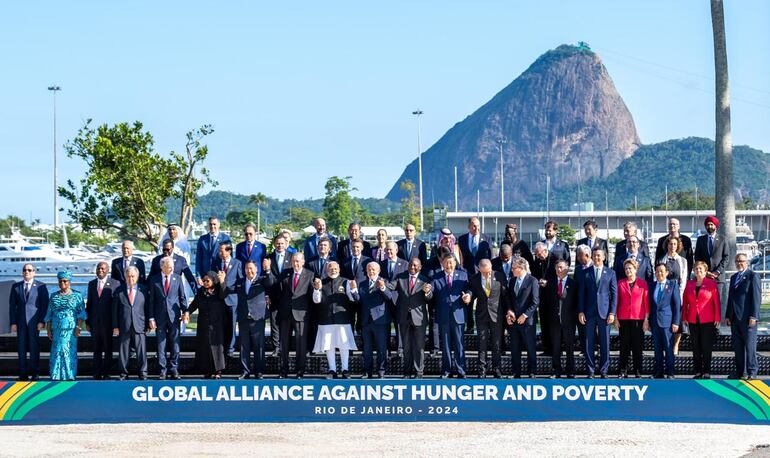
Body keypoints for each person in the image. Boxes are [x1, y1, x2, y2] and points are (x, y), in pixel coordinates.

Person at [312, 261, 357, 379]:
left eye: (335, 268)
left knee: (344, 345)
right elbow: (316, 300)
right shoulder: (321, 282)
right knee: (329, 346)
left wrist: (353, 290)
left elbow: (353, 299)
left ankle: (345, 369)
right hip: (326, 319)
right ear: (327, 270)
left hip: (342, 319)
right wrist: (317, 289)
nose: (333, 270)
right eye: (331, 269)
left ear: (339, 269)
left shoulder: (346, 282)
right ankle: (332, 370)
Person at [230, 259, 274, 379]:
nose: (248, 271)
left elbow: (270, 283)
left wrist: (268, 270)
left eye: (251, 268)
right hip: (244, 318)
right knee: (244, 347)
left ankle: (259, 371)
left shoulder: (261, 279)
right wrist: (222, 281)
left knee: (258, 346)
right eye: (246, 268)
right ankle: (245, 371)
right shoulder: (240, 282)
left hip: (257, 317)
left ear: (256, 269)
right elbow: (228, 290)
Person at [578, 247, 617, 378]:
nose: (597, 258)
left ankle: (604, 370)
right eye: (594, 256)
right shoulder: (585, 273)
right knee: (589, 342)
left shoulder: (611, 273)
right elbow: (581, 294)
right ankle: (590, 370)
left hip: (605, 313)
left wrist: (612, 312)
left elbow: (614, 295)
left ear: (604, 257)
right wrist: (581, 311)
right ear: (591, 257)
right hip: (589, 313)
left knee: (605, 342)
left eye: (599, 256)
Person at [390, 258, 432, 378]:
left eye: (415, 265)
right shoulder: (400, 277)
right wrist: (381, 284)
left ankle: (419, 372)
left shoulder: (425, 280)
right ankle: (407, 372)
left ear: (420, 266)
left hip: (419, 318)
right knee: (406, 347)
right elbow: (390, 286)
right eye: (410, 265)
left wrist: (427, 292)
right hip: (404, 318)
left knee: (419, 347)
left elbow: (429, 298)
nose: (412, 267)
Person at [275, 252, 314, 378]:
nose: (296, 264)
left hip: (301, 314)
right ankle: (284, 369)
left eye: (298, 261)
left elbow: (311, 295)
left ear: (303, 262)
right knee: (284, 344)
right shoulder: (285, 273)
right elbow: (278, 291)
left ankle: (300, 370)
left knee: (301, 343)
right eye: (294, 261)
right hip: (285, 313)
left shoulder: (310, 274)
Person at [350, 262, 394, 378]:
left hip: (380, 321)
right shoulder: (362, 284)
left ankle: (381, 371)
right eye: (369, 270)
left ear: (378, 271)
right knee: (367, 349)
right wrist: (354, 290)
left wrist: (383, 288)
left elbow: (389, 297)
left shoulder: (384, 281)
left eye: (374, 270)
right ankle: (367, 371)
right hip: (366, 321)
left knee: (381, 348)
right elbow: (358, 301)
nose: (371, 272)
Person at [431, 254, 471, 378]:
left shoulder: (463, 276)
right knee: (446, 346)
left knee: (459, 344)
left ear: (455, 263)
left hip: (458, 314)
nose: (449, 265)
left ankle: (461, 370)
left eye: (451, 263)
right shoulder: (436, 277)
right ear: (442, 264)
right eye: (446, 263)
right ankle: (447, 370)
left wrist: (468, 296)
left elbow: (469, 289)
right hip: (443, 316)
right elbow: (430, 291)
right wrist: (427, 291)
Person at [185, 271, 230, 379]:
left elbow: (224, 294)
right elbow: (194, 304)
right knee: (205, 347)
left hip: (217, 325)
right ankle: (208, 370)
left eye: (207, 281)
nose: (205, 283)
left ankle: (217, 371)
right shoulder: (201, 292)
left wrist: (222, 281)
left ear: (213, 280)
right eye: (204, 281)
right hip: (204, 324)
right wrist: (187, 312)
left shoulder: (219, 289)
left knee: (217, 348)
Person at [148, 256, 187, 379]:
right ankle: (163, 370)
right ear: (162, 267)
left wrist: (185, 311)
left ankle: (174, 368)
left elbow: (182, 297)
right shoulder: (154, 280)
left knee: (175, 343)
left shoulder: (177, 278)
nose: (171, 269)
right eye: (168, 267)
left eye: (172, 267)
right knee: (161, 344)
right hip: (159, 317)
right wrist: (151, 318)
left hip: (174, 316)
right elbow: (151, 301)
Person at [8, 263, 49, 381]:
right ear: (22, 272)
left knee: (34, 348)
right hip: (20, 323)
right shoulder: (16, 286)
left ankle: (35, 374)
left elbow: (44, 305)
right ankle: (23, 374)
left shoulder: (41, 286)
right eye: (25, 270)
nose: (27, 272)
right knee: (21, 349)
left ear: (34, 272)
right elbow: (12, 306)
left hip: (35, 323)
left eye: (30, 270)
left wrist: (42, 321)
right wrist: (13, 322)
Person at [682, 261, 721, 379]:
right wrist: (684, 317)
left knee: (706, 346)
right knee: (696, 346)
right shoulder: (689, 284)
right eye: (696, 269)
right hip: (693, 319)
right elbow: (685, 303)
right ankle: (698, 371)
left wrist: (717, 317)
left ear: (705, 271)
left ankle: (707, 371)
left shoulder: (711, 284)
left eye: (700, 269)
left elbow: (716, 302)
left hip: (708, 319)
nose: (698, 271)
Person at [44, 271, 86, 381]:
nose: (62, 283)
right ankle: (55, 375)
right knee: (57, 351)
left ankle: (69, 375)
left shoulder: (77, 295)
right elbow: (49, 313)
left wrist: (78, 327)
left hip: (71, 330)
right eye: (60, 281)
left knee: (69, 352)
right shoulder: (54, 296)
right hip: (56, 329)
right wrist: (48, 329)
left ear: (69, 282)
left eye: (65, 281)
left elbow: (81, 313)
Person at [469, 259, 507, 378]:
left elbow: (505, 295)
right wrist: (468, 296)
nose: (486, 274)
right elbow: (472, 291)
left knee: (496, 344)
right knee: (482, 343)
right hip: (481, 315)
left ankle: (497, 369)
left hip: (497, 315)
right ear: (479, 269)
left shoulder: (499, 276)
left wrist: (509, 311)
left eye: (488, 272)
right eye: (484, 273)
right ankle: (482, 370)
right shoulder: (475, 278)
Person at [725, 254, 761, 380]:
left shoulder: (753, 276)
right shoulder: (734, 277)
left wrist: (754, 316)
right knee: (738, 347)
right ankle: (740, 371)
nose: (739, 263)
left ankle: (752, 371)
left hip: (748, 318)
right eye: (737, 261)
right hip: (735, 318)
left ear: (747, 262)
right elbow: (731, 298)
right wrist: (728, 315)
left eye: (741, 261)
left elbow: (756, 298)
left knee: (750, 346)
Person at [113, 266, 151, 380]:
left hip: (140, 325)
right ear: (125, 277)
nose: (130, 278)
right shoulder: (119, 290)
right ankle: (123, 373)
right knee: (123, 351)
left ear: (137, 276)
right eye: (128, 276)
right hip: (124, 325)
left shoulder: (144, 289)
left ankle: (143, 373)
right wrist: (115, 326)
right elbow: (114, 309)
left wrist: (148, 324)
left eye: (133, 276)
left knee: (141, 351)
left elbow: (147, 308)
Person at [506, 256, 539, 378]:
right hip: (514, 320)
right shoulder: (512, 281)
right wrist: (509, 312)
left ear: (521, 268)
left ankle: (532, 371)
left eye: (514, 268)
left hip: (527, 321)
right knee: (515, 348)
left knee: (530, 347)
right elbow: (509, 298)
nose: (512, 270)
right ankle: (516, 372)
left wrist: (525, 315)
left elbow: (535, 302)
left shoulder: (532, 281)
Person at [615, 259, 649, 378]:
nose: (628, 270)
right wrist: (615, 318)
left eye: (630, 268)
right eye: (626, 268)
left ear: (636, 269)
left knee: (637, 347)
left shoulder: (643, 284)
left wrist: (646, 319)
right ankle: (623, 370)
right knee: (624, 346)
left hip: (638, 319)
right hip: (623, 318)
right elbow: (616, 302)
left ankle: (637, 371)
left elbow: (646, 303)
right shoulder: (620, 283)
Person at [86, 261, 120, 379]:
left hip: (108, 322)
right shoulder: (91, 284)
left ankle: (106, 373)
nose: (100, 270)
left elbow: (116, 306)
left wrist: (116, 324)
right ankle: (96, 373)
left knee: (108, 349)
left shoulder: (115, 283)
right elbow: (89, 304)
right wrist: (88, 322)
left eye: (103, 269)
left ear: (108, 270)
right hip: (95, 323)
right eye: (98, 268)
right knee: (96, 349)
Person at [649, 263, 681, 379]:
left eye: (662, 271)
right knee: (657, 349)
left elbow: (677, 305)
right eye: (657, 271)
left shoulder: (672, 285)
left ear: (667, 272)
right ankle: (658, 372)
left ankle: (670, 372)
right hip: (655, 322)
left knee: (668, 348)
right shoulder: (652, 286)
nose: (659, 273)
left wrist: (676, 322)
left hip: (668, 322)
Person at [658, 236, 688, 354]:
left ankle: (676, 344)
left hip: (678, 290)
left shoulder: (682, 261)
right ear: (667, 245)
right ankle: (666, 344)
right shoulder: (661, 260)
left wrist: (680, 292)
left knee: (677, 319)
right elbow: (659, 276)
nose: (672, 246)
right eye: (670, 244)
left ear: (678, 246)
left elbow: (684, 277)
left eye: (675, 244)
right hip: (665, 291)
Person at [548, 259, 577, 378]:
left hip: (568, 321)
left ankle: (570, 370)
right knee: (556, 347)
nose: (559, 270)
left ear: (567, 268)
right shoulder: (550, 283)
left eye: (561, 267)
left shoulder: (573, 283)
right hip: (554, 320)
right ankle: (557, 370)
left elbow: (576, 303)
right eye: (557, 267)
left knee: (569, 346)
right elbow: (546, 302)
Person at [307, 236, 336, 350]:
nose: (322, 247)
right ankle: (313, 348)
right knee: (313, 323)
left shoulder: (334, 262)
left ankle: (330, 348)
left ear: (329, 249)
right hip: (314, 296)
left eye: (325, 245)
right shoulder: (310, 261)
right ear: (317, 247)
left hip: (328, 297)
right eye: (320, 245)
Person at [379, 241, 408, 357]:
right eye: (387, 250)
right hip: (384, 299)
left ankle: (400, 350)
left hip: (399, 299)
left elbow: (404, 280)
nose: (389, 252)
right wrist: (386, 285)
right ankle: (387, 349)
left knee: (399, 325)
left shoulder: (405, 264)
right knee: (385, 325)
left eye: (391, 249)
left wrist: (388, 284)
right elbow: (379, 278)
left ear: (396, 250)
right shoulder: (381, 264)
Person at [215, 241, 242, 357]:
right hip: (219, 300)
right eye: (219, 250)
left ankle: (230, 349)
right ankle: (221, 348)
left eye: (222, 250)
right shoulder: (216, 263)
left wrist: (226, 285)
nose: (220, 252)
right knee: (221, 325)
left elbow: (240, 282)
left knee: (231, 326)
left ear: (229, 250)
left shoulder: (237, 263)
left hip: (232, 300)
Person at [267, 234, 293, 355]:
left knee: (286, 322)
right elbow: (266, 278)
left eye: (282, 243)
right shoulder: (268, 258)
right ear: (274, 244)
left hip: (287, 295)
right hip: (273, 294)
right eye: (277, 243)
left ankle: (285, 346)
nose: (279, 245)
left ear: (286, 244)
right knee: (274, 322)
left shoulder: (292, 257)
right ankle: (276, 347)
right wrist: (267, 295)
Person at [531, 242, 557, 357]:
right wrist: (538, 281)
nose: (538, 256)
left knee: (553, 324)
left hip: (553, 295)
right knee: (544, 323)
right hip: (542, 296)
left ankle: (556, 349)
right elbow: (535, 274)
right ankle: (546, 348)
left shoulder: (555, 258)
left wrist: (548, 282)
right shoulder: (538, 260)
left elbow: (559, 276)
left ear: (545, 251)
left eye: (539, 254)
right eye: (536, 254)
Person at [694, 216, 730, 286]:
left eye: (711, 224)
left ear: (715, 226)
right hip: (704, 276)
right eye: (708, 225)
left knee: (717, 297)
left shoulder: (722, 239)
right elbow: (697, 257)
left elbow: (726, 257)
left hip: (718, 277)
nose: (709, 226)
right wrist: (705, 272)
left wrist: (717, 271)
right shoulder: (700, 240)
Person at [195, 216, 232, 281]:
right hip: (205, 275)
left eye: (214, 224)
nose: (212, 226)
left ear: (219, 225)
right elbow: (198, 258)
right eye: (210, 224)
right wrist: (198, 276)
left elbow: (230, 258)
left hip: (220, 275)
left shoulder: (225, 238)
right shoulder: (202, 239)